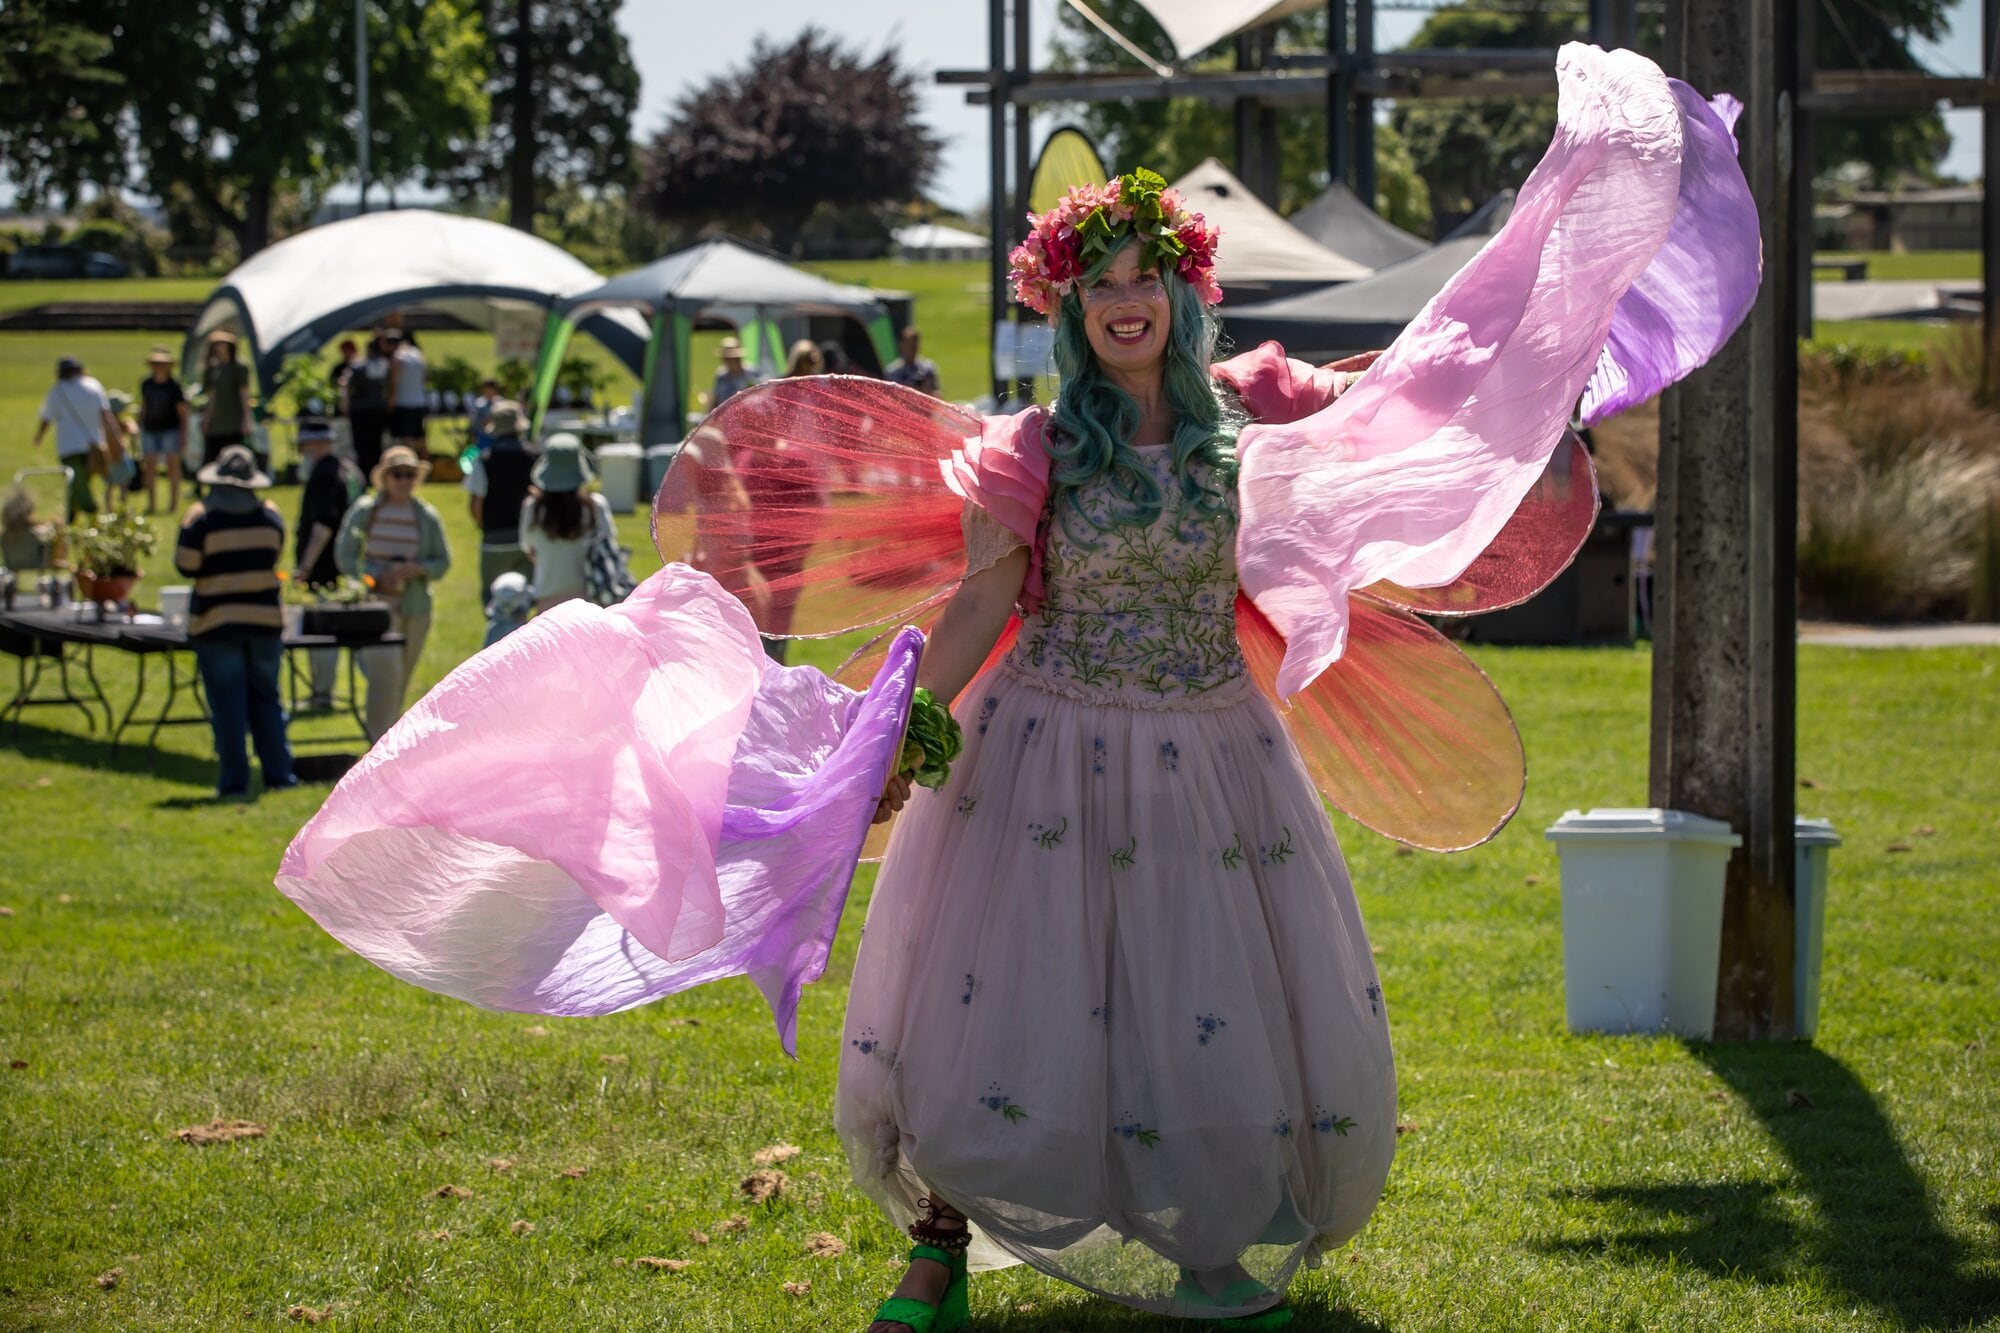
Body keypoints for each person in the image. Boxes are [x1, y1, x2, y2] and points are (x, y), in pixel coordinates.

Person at [274, 52, 1761, 1333]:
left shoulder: (1251, 435)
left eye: (1148, 282)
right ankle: (942, 1244)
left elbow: (1437, 407)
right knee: (994, 1001)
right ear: (1072, 309)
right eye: (1100, 286)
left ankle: (1209, 1243)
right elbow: (986, 592)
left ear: (1186, 294)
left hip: (1210, 753)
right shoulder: (1035, 450)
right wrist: (900, 726)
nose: (1126, 306)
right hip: (1039, 744)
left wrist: (1577, 250)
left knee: (1200, 993)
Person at [174, 445, 296, 800]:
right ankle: (279, 775)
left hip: (217, 622)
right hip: (264, 621)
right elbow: (275, 552)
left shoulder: (201, 519)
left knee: (228, 706)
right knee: (267, 700)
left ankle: (233, 782)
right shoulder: (270, 518)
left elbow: (186, 565)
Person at [334, 445, 450, 741]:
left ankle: (389, 739)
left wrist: (418, 568)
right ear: (385, 478)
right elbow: (345, 554)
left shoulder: (425, 515)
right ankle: (378, 741)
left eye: (410, 474)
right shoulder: (366, 510)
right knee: (386, 675)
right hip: (376, 605)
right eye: (397, 474)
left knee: (402, 676)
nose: (403, 480)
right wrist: (373, 578)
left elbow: (442, 561)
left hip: (414, 605)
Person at [292, 418, 364, 710]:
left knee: (321, 634)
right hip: (343, 565)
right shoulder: (346, 468)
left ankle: (322, 694)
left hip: (324, 568)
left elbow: (322, 525)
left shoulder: (324, 473)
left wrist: (306, 566)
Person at [518, 433, 613, 614]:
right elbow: (607, 548)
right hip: (589, 598)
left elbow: (529, 549)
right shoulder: (596, 506)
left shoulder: (533, 508)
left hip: (547, 597)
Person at [32, 356, 125, 520]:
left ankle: (93, 515)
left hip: (69, 446)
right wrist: (117, 438)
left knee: (78, 485)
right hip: (94, 445)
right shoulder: (94, 385)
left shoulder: (58, 390)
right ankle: (70, 517)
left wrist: (39, 437)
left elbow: (47, 418)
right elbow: (106, 415)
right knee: (79, 484)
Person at [460, 400, 537, 595]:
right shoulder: (535, 457)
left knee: (492, 598)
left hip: (495, 537)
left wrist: (484, 527)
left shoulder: (484, 459)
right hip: (529, 538)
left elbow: (476, 503)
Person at [136, 345, 190, 514]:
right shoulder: (147, 384)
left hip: (170, 430)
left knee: (172, 466)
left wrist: (183, 434)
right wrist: (140, 425)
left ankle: (173, 504)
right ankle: (152, 504)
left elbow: (182, 412)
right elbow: (144, 406)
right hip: (150, 429)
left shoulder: (174, 386)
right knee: (149, 467)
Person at [199, 331, 256, 462]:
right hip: (216, 422)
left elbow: (244, 393)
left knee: (233, 457)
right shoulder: (214, 367)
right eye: (217, 344)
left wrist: (246, 420)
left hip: (233, 422)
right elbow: (211, 396)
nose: (219, 347)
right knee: (210, 458)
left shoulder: (239, 367)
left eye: (222, 343)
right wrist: (206, 418)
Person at [344, 333, 393, 482]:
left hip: (360, 411)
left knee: (361, 445)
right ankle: (377, 475)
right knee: (376, 444)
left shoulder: (358, 366)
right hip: (378, 409)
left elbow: (350, 388)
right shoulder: (385, 365)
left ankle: (365, 476)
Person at [385, 329, 428, 455]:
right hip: (419, 401)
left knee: (406, 439)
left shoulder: (397, 356)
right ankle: (426, 464)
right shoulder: (417, 353)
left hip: (403, 402)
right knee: (420, 437)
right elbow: (426, 377)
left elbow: (393, 382)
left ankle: (410, 463)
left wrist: (391, 402)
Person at [884, 326, 941, 397]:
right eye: (909, 345)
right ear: (902, 345)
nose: (912, 349)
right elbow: (888, 397)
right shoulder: (893, 372)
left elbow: (939, 395)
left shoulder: (928, 368)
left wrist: (927, 391)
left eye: (914, 345)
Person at [710, 336, 759, 410]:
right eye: (726, 359)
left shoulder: (752, 373)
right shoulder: (721, 376)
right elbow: (715, 400)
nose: (730, 361)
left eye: (734, 358)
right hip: (726, 417)